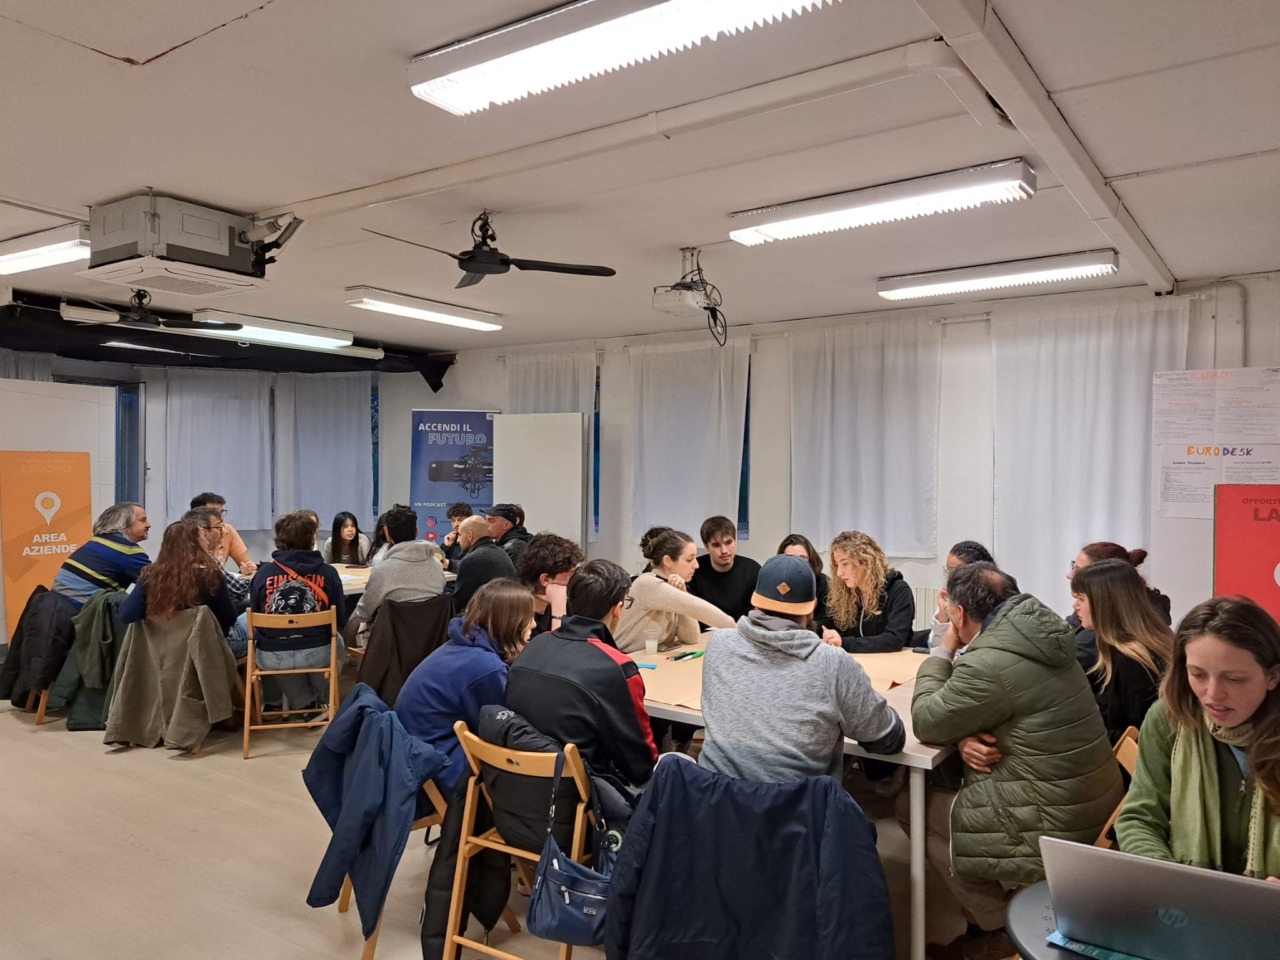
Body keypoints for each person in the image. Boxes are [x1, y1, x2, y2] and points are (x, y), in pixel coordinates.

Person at [909, 562, 1122, 960]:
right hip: (1092, 802)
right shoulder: (1043, 635)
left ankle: (999, 926)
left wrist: (943, 650)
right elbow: (1009, 708)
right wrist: (962, 736)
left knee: (911, 807)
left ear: (959, 614)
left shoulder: (990, 662)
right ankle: (987, 922)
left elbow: (926, 720)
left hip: (1055, 822)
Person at [699, 554, 905, 782]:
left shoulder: (718, 644)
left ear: (755, 601)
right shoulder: (832, 663)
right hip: (796, 802)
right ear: (812, 609)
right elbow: (887, 739)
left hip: (716, 799)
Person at [1117, 596, 1280, 879]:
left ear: (1273, 676)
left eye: (1234, 679)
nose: (1213, 694)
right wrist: (1169, 876)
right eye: (1198, 674)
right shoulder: (1169, 718)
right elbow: (1139, 819)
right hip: (1190, 895)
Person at [505, 559, 658, 787]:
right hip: (581, 791)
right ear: (617, 609)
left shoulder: (535, 645)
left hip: (515, 783)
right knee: (676, 763)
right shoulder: (617, 666)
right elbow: (641, 764)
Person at [396, 579, 536, 796]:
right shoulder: (486, 667)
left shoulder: (461, 645)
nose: (534, 624)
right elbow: (500, 729)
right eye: (529, 617)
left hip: (413, 756)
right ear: (511, 622)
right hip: (437, 768)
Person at [249, 511, 347, 713]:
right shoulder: (328, 573)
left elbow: (257, 620)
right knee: (336, 640)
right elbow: (340, 619)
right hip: (318, 653)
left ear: (280, 540)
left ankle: (290, 703)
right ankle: (313, 702)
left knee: (269, 644)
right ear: (311, 538)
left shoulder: (262, 574)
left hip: (272, 656)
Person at [1070, 558, 1173, 742]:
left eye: (1081, 599)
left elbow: (1137, 735)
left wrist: (1080, 730)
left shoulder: (1132, 661)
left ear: (1104, 603)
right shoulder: (1120, 649)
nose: (1075, 606)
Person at [614, 528, 735, 655]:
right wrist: (736, 629)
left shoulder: (671, 586)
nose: (696, 565)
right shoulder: (647, 583)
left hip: (647, 658)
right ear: (668, 561)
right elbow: (695, 607)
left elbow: (690, 638)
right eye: (689, 559)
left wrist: (682, 592)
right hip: (624, 658)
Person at [1067, 540, 1172, 674]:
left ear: (1105, 596)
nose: (1069, 575)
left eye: (1078, 570)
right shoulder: (1151, 634)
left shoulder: (1115, 654)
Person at [119, 520, 237, 639]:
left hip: (161, 646)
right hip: (203, 646)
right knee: (245, 618)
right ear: (195, 544)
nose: (207, 542)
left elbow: (126, 615)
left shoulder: (151, 576)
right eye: (203, 537)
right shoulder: (211, 576)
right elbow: (230, 618)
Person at [345, 504, 446, 643]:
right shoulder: (436, 566)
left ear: (387, 534)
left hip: (391, 645)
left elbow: (363, 613)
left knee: (355, 617)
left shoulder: (382, 571)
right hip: (430, 641)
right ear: (417, 531)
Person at [818, 530, 915, 653]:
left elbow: (893, 640)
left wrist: (844, 643)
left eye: (845, 564)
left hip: (892, 661)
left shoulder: (899, 591)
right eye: (837, 565)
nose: (839, 573)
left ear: (865, 561)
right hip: (857, 660)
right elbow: (832, 624)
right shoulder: (847, 593)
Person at [51, 502, 151, 608]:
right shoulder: (127, 550)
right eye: (143, 520)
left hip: (51, 608)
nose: (148, 525)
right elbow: (157, 583)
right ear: (124, 524)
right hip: (79, 614)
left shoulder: (97, 541)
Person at [919, 541, 995, 649]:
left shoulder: (989, 599)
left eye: (954, 571)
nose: (949, 577)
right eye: (948, 570)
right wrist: (943, 615)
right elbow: (935, 646)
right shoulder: (950, 596)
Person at [687, 515, 761, 621]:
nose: (724, 551)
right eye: (716, 545)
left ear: (735, 541)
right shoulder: (693, 570)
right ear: (706, 546)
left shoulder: (753, 571)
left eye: (728, 542)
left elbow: (758, 614)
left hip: (741, 629)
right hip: (703, 630)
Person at [515, 532, 584, 635]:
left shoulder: (567, 601)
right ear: (545, 579)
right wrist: (558, 611)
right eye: (570, 574)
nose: (574, 579)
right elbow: (559, 645)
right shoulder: (515, 615)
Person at [183, 506, 250, 608]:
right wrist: (259, 578)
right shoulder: (203, 559)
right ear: (202, 531)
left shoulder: (177, 556)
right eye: (218, 527)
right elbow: (239, 589)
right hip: (212, 616)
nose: (223, 532)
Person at [449, 515, 516, 611]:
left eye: (460, 535)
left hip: (485, 615)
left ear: (470, 536)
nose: (458, 540)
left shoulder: (471, 560)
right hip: (506, 612)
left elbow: (459, 603)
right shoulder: (502, 553)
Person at [189, 492, 256, 574]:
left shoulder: (227, 530)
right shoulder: (183, 534)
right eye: (214, 512)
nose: (221, 517)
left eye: (221, 512)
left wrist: (249, 567)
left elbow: (245, 562)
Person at [776, 533, 830, 622]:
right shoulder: (775, 581)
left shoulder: (825, 584)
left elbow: (826, 623)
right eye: (791, 558)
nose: (797, 563)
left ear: (811, 559)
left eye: (802, 558)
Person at [440, 502, 473, 569]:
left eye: (460, 520)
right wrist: (445, 546)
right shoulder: (451, 539)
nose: (456, 524)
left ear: (469, 520)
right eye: (453, 520)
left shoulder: (474, 539)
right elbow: (436, 561)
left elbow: (470, 565)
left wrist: (449, 564)